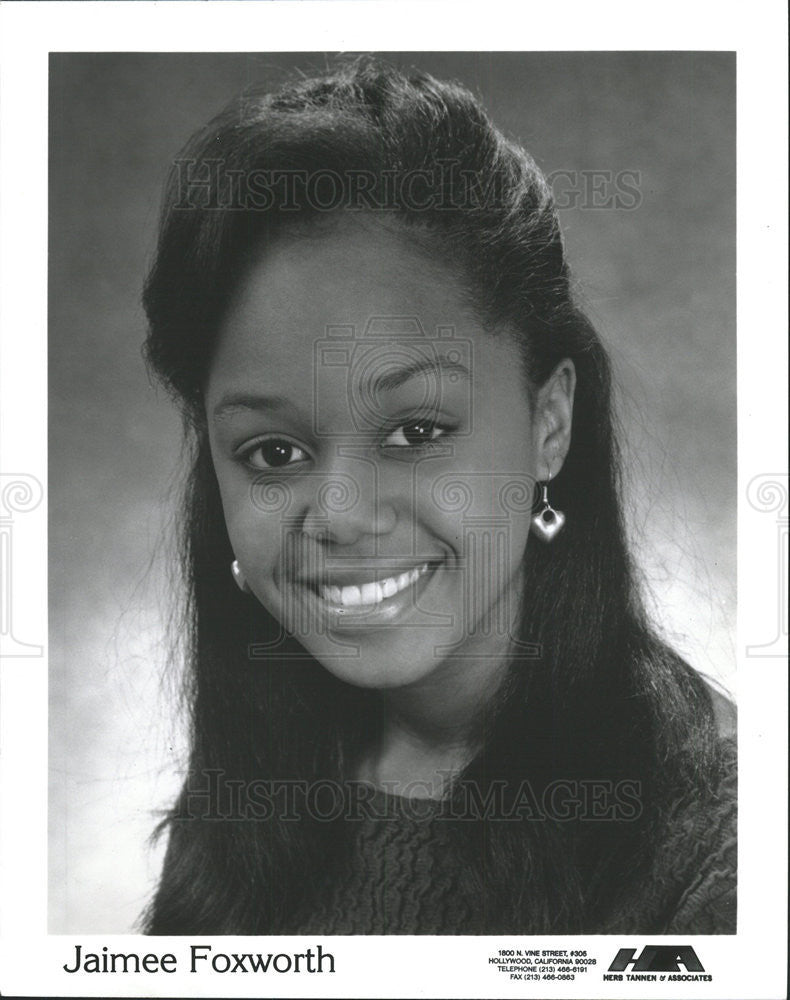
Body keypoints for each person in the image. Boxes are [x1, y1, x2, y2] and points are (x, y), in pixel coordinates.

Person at [141, 56, 736, 935]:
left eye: (416, 432)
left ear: (549, 421)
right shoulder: (258, 783)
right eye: (273, 451)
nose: (338, 513)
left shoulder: (727, 843)